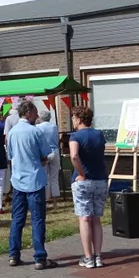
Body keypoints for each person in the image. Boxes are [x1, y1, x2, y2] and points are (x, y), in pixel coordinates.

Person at [7, 100, 57, 270]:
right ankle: (40, 257)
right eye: (35, 112)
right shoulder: (35, 132)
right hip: (35, 179)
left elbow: (11, 156)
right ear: (28, 112)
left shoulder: (12, 132)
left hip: (18, 180)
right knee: (37, 219)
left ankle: (13, 254)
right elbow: (46, 154)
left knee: (17, 219)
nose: (37, 116)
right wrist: (40, 159)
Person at [69, 106, 108, 269]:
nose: (72, 120)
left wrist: (81, 173)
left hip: (83, 182)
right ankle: (98, 255)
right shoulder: (99, 134)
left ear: (78, 118)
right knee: (96, 219)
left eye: (73, 117)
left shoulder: (75, 136)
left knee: (85, 218)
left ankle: (88, 257)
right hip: (100, 179)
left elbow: (74, 156)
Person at [36, 107, 60, 210]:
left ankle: (46, 200)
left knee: (44, 177)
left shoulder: (38, 127)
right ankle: (55, 203)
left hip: (44, 153)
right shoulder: (54, 127)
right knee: (54, 177)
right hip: (54, 151)